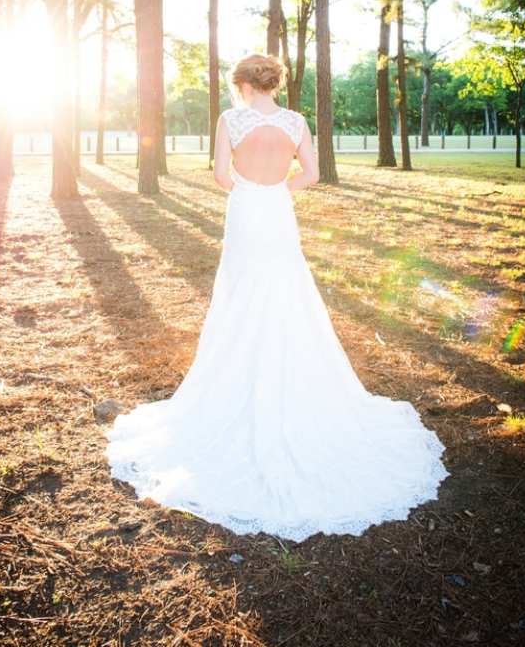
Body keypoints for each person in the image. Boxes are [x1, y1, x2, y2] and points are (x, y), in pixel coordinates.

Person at [105, 53, 447, 541]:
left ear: (243, 84)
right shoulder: (295, 121)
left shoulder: (231, 119)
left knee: (242, 291)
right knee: (287, 289)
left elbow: (221, 174)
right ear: (271, 83)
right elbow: (309, 173)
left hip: (246, 212)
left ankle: (241, 368)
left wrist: (249, 188)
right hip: (279, 211)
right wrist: (277, 188)